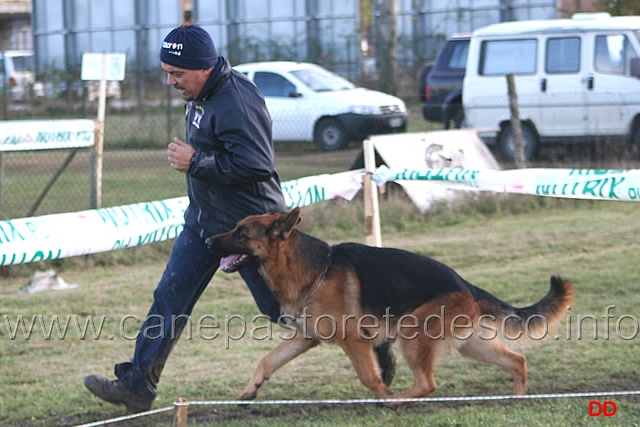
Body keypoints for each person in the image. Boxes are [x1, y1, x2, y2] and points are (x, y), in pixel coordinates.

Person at [84, 24, 395, 413]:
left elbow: (256, 165)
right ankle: (136, 386)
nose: (170, 82)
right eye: (166, 72)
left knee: (279, 310)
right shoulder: (200, 92)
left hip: (250, 231)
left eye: (176, 74)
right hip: (203, 222)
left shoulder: (236, 100)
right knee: (169, 298)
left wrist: (195, 161)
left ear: (202, 68)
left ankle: (372, 336)